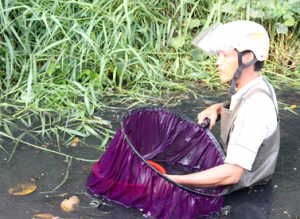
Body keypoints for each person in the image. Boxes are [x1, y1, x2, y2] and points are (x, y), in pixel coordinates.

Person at [166, 20, 280, 193]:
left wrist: (174, 180)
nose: (218, 62)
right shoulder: (259, 85)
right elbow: (242, 103)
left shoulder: (254, 109)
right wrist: (217, 108)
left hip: (242, 191)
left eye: (225, 56)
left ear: (248, 57)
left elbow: (232, 173)